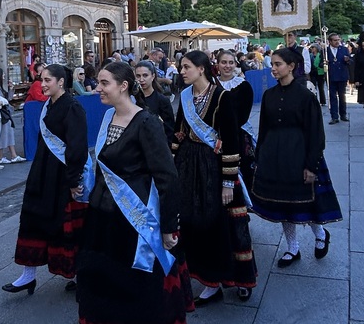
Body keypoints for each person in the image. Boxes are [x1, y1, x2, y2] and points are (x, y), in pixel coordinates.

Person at [76, 62, 191, 324]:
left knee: (143, 286)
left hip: (136, 221)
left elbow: (167, 177)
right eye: (98, 83)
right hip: (106, 219)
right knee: (114, 282)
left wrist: (169, 226)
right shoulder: (108, 117)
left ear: (124, 86)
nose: (97, 88)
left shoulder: (146, 123)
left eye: (104, 83)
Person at [173, 49, 257, 303]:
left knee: (228, 225)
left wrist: (229, 182)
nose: (182, 71)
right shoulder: (185, 96)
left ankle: (240, 278)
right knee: (196, 224)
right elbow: (179, 132)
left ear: (201, 69)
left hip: (215, 167)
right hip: (190, 167)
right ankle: (209, 281)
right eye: (181, 67)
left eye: (186, 67)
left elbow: (230, 140)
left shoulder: (222, 97)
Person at [250, 48, 342, 267]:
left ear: (291, 66)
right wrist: (259, 155)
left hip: (299, 154)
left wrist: (312, 164)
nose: (273, 68)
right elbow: (263, 128)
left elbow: (316, 132)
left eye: (278, 64)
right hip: (275, 156)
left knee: (307, 201)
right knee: (283, 204)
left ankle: (320, 234)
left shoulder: (305, 96)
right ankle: (292, 247)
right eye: (272, 64)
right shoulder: (269, 95)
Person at [3, 64, 88, 294]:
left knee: (66, 226)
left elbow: (77, 148)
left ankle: (79, 276)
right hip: (42, 172)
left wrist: (73, 181)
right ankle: (27, 275)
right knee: (33, 218)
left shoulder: (72, 107)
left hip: (62, 176)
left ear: (61, 82)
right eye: (42, 79)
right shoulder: (47, 106)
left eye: (48, 80)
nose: (43, 84)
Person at [134, 60, 175, 146]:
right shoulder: (132, 99)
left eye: (145, 75)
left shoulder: (162, 100)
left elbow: (169, 129)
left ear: (153, 76)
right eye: (138, 76)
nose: (141, 79)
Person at [0, 67, 24, 164]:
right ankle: (1, 157)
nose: (4, 76)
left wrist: (11, 89)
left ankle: (12, 155)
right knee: (3, 135)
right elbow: (3, 100)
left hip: (5, 114)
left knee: (8, 134)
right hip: (2, 115)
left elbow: (8, 98)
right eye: (3, 74)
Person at [326, 33, 351, 124]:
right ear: (330, 41)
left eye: (338, 40)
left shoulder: (344, 49)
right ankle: (334, 116)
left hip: (342, 76)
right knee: (332, 97)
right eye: (335, 40)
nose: (337, 42)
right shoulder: (325, 50)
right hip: (331, 76)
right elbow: (320, 64)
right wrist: (325, 63)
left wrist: (347, 60)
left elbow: (350, 62)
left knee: (342, 96)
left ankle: (343, 114)